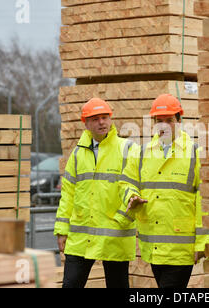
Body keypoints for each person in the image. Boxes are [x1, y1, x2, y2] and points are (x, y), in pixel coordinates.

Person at [114, 94, 209, 288]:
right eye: (160, 121)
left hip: (180, 248)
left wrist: (202, 244)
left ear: (179, 121)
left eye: (169, 120)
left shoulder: (195, 154)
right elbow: (125, 183)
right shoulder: (142, 154)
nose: (164, 126)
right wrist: (131, 195)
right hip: (153, 247)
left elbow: (206, 204)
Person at [54, 98, 137, 288]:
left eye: (105, 117)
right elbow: (68, 195)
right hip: (82, 236)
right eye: (96, 118)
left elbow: (136, 190)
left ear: (110, 119)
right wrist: (61, 230)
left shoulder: (127, 149)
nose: (101, 122)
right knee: (71, 284)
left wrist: (122, 220)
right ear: (86, 123)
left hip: (114, 234)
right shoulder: (77, 154)